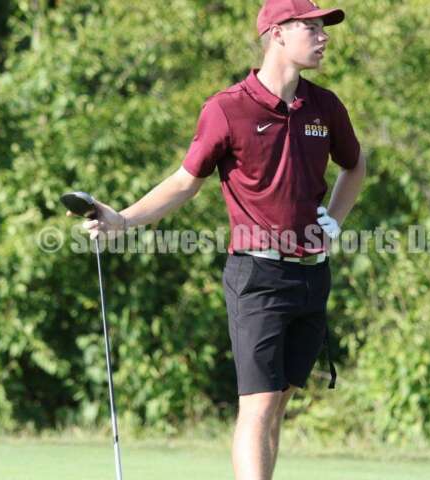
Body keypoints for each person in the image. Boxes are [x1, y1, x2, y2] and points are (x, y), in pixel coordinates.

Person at [71, 1, 365, 478]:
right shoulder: (227, 109)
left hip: (312, 277)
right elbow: (185, 181)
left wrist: (334, 220)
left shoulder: (324, 106)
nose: (323, 36)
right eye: (309, 27)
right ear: (276, 34)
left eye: (322, 27)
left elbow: (355, 165)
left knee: (279, 404)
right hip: (258, 275)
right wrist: (122, 220)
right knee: (260, 405)